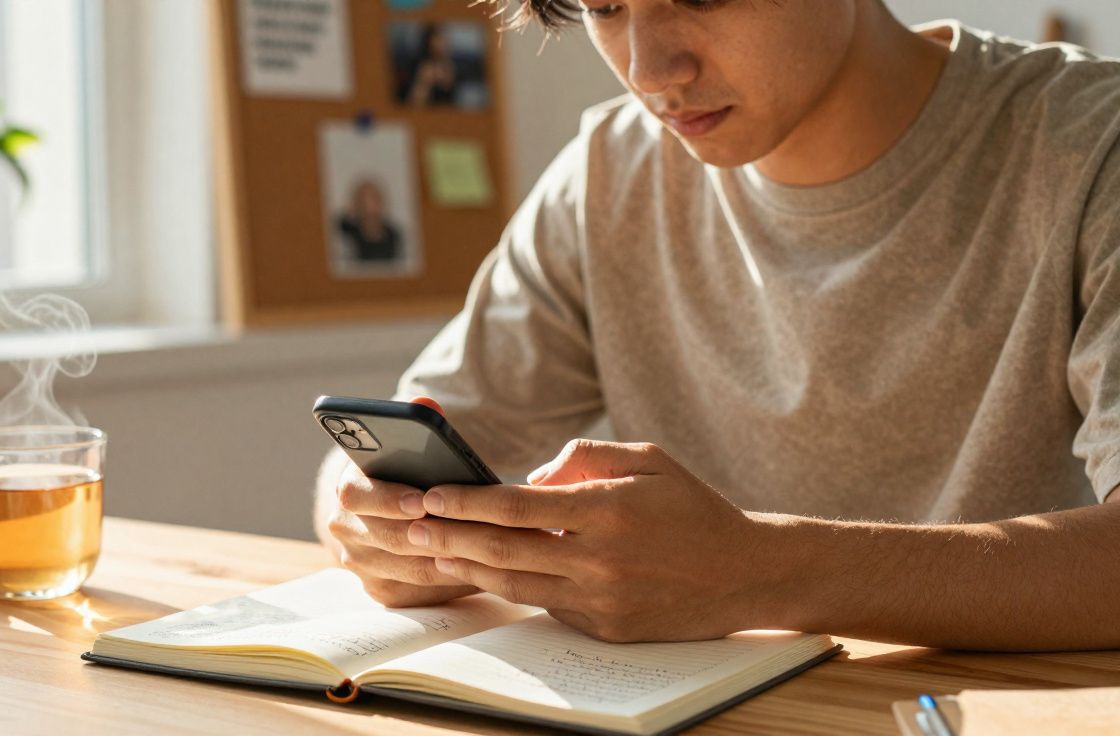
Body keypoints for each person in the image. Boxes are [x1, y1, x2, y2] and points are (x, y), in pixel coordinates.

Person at [315, 0, 1120, 651]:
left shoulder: (1092, 146)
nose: (649, 70)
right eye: (605, 5)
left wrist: (763, 573)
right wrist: (373, 525)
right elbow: (392, 448)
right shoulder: (606, 175)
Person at [336, 178, 403, 264]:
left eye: (374, 199)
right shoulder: (347, 232)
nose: (369, 207)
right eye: (363, 201)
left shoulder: (394, 234)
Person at [405, 23, 457, 106]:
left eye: (444, 39)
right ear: (429, 42)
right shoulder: (420, 66)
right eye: (438, 39)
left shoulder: (451, 64)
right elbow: (414, 103)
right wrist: (425, 82)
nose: (443, 44)